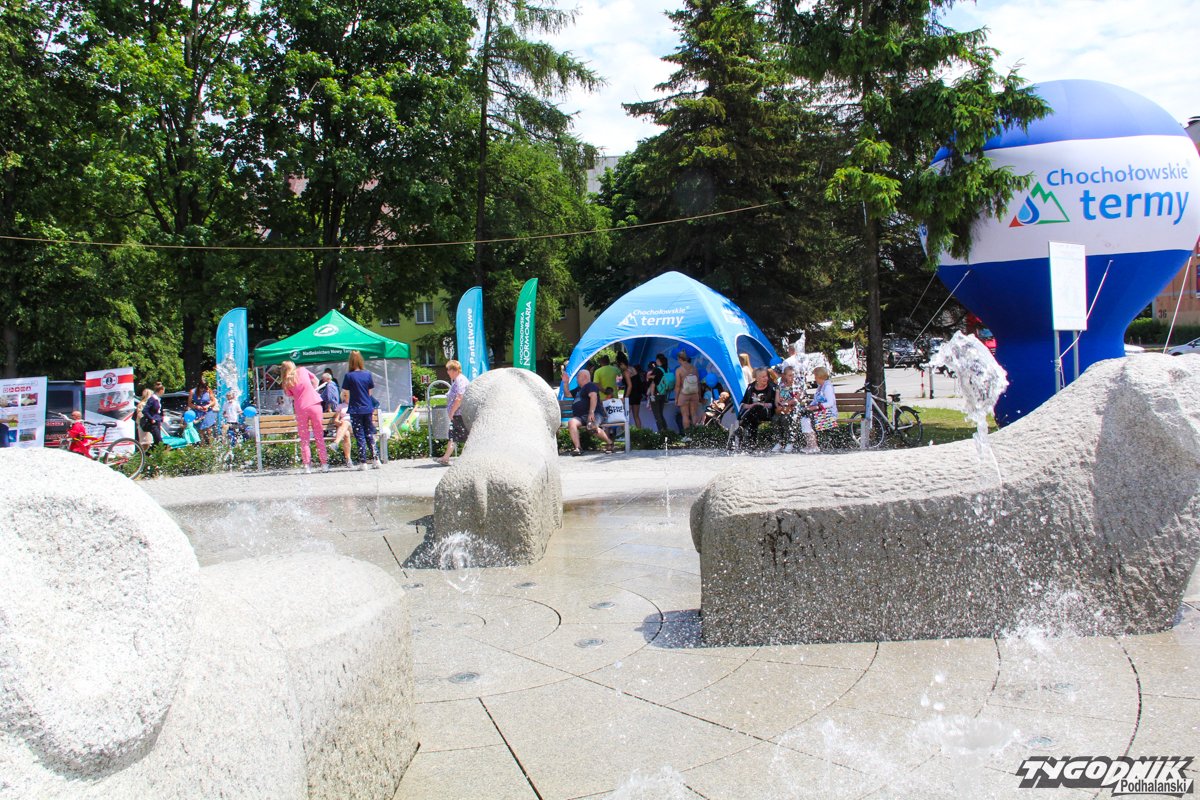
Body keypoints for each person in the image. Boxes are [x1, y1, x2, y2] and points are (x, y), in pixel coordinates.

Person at [280, 360, 329, 473]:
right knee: (319, 435)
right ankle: (324, 464)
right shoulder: (302, 370)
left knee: (304, 438)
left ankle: (307, 465)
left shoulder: (286, 381)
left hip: (301, 407)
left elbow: (290, 395)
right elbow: (316, 380)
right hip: (314, 403)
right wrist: (313, 389)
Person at [562, 367, 612, 455]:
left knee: (591, 427)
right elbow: (567, 394)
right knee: (571, 422)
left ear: (584, 377)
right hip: (580, 417)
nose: (576, 379)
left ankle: (609, 442)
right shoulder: (578, 389)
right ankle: (578, 448)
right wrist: (565, 382)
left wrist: (591, 412)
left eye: (578, 376)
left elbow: (593, 397)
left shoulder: (591, 385)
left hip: (595, 414)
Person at [342, 351, 378, 469]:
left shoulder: (349, 376)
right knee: (369, 434)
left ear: (350, 362)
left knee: (360, 435)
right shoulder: (367, 374)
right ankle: (376, 459)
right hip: (367, 407)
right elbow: (369, 392)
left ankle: (363, 462)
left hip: (355, 409)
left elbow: (345, 393)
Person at [799, 366, 838, 454]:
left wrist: (817, 407)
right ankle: (810, 445)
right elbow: (815, 400)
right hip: (821, 413)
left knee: (807, 420)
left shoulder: (827, 387)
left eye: (815, 376)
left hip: (829, 415)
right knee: (804, 419)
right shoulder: (820, 387)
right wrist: (809, 406)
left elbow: (830, 403)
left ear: (820, 376)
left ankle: (814, 446)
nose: (815, 378)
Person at [437, 359, 468, 465]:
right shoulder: (458, 380)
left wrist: (452, 412)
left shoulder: (460, 380)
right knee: (453, 436)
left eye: (448, 370)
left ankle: (467, 458)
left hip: (460, 414)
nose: (447, 372)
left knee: (464, 436)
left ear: (454, 370)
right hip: (458, 414)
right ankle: (445, 458)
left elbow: (459, 398)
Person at [737, 367, 776, 446]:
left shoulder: (772, 387)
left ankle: (741, 427)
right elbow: (743, 403)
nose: (766, 378)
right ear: (757, 378)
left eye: (766, 376)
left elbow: (773, 404)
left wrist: (761, 404)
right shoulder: (750, 387)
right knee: (754, 417)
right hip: (752, 413)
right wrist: (751, 405)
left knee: (757, 408)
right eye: (763, 377)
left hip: (766, 412)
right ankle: (752, 444)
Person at [772, 365, 805, 453]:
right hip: (783, 408)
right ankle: (779, 442)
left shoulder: (798, 386)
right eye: (790, 375)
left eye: (793, 375)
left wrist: (786, 404)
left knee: (785, 418)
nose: (792, 377)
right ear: (785, 376)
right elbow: (776, 400)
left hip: (794, 409)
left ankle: (790, 441)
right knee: (775, 418)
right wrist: (779, 405)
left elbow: (797, 399)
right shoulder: (780, 386)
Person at [674, 350, 702, 433]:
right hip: (694, 394)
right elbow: (698, 383)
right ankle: (696, 434)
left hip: (684, 394)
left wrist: (676, 398)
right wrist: (699, 395)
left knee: (685, 415)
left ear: (680, 359)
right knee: (694, 414)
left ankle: (687, 435)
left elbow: (678, 385)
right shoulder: (694, 369)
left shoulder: (679, 370)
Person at [650, 353, 674, 433]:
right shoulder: (667, 369)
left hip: (656, 394)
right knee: (660, 414)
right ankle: (666, 431)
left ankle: (662, 432)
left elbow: (653, 383)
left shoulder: (657, 370)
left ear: (658, 360)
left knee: (657, 415)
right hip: (664, 394)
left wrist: (652, 396)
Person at [188, 380, 218, 444]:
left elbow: (213, 402)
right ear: (198, 386)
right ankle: (202, 444)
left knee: (209, 430)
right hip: (198, 411)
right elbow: (189, 404)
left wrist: (208, 406)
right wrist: (196, 407)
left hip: (208, 411)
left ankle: (211, 444)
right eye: (201, 388)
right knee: (201, 430)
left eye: (204, 388)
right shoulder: (192, 391)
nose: (202, 390)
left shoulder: (209, 390)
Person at [621, 354, 645, 428]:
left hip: (630, 396)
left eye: (620, 365)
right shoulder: (633, 369)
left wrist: (626, 398)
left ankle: (624, 432)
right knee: (636, 416)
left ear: (622, 364)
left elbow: (629, 386)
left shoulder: (626, 372)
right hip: (637, 395)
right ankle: (639, 432)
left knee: (625, 416)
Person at [331, 388, 354, 468]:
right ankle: (348, 460)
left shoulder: (355, 404)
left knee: (346, 422)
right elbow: (336, 420)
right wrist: (338, 422)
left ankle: (336, 443)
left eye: (347, 395)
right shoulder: (340, 406)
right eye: (344, 395)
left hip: (353, 426)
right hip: (344, 427)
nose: (346, 397)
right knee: (346, 434)